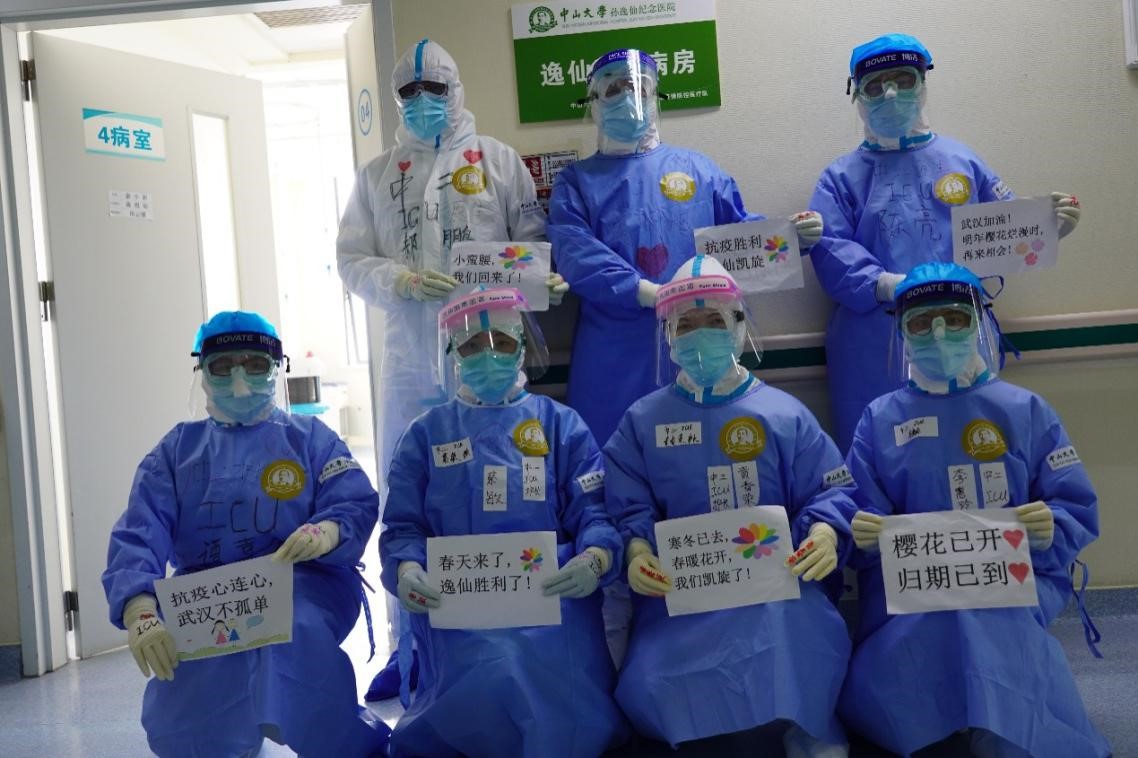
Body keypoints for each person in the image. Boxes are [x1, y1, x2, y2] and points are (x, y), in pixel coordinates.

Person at [336, 38, 563, 697]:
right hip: (411, 358)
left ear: (456, 89)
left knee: (502, 481)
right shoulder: (377, 176)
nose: (422, 101)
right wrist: (400, 280)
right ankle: (408, 650)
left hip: (492, 351)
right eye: (410, 92)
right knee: (409, 492)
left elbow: (531, 244)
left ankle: (509, 630)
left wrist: (541, 280)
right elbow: (350, 259)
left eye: (435, 88)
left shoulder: (497, 161)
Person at [840, 262, 1109, 757]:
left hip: (1014, 577)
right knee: (931, 626)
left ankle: (1000, 728)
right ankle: (939, 723)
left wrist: (1052, 525)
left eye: (954, 318)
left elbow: (1074, 501)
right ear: (902, 330)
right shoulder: (879, 420)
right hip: (913, 587)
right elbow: (858, 511)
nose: (939, 334)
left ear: (980, 322)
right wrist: (864, 534)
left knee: (986, 618)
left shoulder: (1025, 410)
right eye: (922, 322)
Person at [101, 311, 389, 758]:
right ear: (202, 372)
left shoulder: (311, 438)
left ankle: (339, 744)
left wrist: (329, 530)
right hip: (206, 593)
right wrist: (140, 609)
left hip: (304, 583)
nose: (240, 383)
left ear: (277, 368)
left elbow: (352, 497)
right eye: (223, 367)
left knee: (297, 636)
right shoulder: (175, 453)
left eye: (255, 365)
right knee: (191, 686)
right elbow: (140, 530)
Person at [603, 256, 854, 755]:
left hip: (777, 590)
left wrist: (825, 532)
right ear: (668, 335)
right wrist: (636, 552)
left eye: (714, 321)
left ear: (739, 326)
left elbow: (831, 490)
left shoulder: (785, 415)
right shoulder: (642, 421)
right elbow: (626, 505)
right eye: (686, 325)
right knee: (653, 679)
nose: (700, 335)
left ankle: (808, 729)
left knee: (799, 643)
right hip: (682, 592)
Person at [378, 288, 628, 757]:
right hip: (460, 603)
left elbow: (594, 510)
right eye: (472, 345)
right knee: (485, 663)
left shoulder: (562, 425)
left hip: (552, 598)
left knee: (546, 687)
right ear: (452, 352)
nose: (488, 355)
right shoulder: (425, 435)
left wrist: (595, 557)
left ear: (522, 346)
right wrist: (407, 569)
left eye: (502, 342)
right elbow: (403, 527)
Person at [809, 33, 1083, 452]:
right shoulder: (840, 179)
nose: (891, 94)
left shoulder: (963, 163)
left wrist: (1046, 230)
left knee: (974, 446)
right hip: (874, 337)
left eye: (903, 79)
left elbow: (1002, 230)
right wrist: (885, 284)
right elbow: (829, 247)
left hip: (959, 327)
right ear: (857, 95)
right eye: (876, 85)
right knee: (880, 451)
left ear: (922, 84)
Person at [549, 47, 823, 449]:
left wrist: (790, 238)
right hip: (615, 350)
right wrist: (646, 292)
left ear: (656, 96)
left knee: (706, 456)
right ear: (594, 102)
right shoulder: (576, 181)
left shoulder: (698, 170)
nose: (627, 97)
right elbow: (575, 252)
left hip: (701, 337)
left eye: (638, 87)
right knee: (614, 456)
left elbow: (737, 237)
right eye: (614, 89)